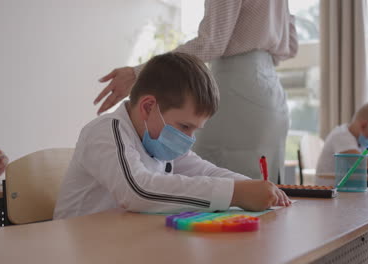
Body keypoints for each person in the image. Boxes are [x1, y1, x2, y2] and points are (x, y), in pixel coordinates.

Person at [54, 53, 291, 219]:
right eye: (185, 126)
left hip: (123, 242)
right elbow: (138, 191)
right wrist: (235, 193)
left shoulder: (157, 140)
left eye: (194, 130)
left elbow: (205, 171)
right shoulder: (107, 130)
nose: (189, 139)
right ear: (148, 107)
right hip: (81, 248)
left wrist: (251, 185)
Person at [93, 0, 298, 182]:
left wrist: (139, 73)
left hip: (237, 88)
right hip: (271, 93)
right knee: (261, 190)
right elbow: (291, 46)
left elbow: (211, 44)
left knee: (212, 194)